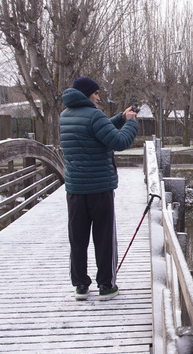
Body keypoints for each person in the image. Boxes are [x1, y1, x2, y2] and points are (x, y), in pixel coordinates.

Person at [58, 76, 139, 300]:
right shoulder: (94, 115)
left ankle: (81, 286)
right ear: (87, 94)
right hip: (99, 189)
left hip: (75, 189)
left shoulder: (65, 116)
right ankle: (106, 286)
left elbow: (96, 133)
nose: (98, 97)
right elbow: (119, 142)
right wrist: (131, 122)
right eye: (95, 93)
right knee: (103, 237)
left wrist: (120, 118)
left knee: (78, 238)